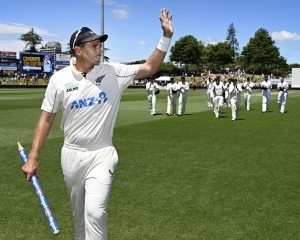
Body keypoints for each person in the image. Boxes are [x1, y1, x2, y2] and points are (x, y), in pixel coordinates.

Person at [21, 8, 173, 240]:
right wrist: (33, 156)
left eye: (100, 45)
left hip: (102, 152)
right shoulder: (59, 79)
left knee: (95, 212)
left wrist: (166, 37)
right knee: (79, 216)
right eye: (94, 46)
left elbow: (150, 68)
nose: (100, 50)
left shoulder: (113, 72)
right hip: (71, 154)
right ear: (78, 50)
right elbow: (46, 117)